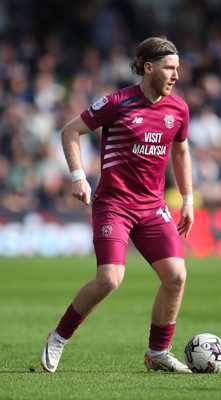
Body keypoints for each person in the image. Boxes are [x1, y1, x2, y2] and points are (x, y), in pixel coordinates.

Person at [40, 36, 194, 373]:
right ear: (149, 67)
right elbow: (70, 131)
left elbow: (181, 151)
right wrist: (79, 176)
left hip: (153, 207)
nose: (176, 75)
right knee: (110, 279)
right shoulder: (117, 102)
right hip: (114, 205)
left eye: (178, 69)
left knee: (176, 276)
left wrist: (188, 199)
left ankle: (157, 352)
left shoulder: (178, 108)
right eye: (169, 68)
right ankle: (59, 336)